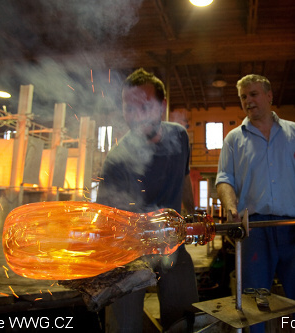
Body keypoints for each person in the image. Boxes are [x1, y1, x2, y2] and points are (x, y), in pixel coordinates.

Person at [216, 74, 295, 333]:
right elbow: (224, 179)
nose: (248, 102)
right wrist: (231, 207)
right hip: (254, 231)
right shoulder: (233, 139)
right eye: (243, 97)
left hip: (294, 229)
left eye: (253, 94)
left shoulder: (294, 131)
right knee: (254, 309)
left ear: (269, 96)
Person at [96, 68, 198, 332]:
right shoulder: (117, 162)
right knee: (124, 326)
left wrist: (194, 213)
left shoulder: (179, 137)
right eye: (129, 108)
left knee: (185, 321)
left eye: (144, 106)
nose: (136, 115)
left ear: (162, 106)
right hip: (131, 254)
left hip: (173, 245)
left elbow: (184, 177)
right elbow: (106, 223)